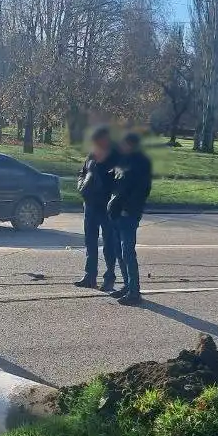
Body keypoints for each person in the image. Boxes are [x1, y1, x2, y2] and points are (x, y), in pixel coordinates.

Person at [107, 131, 152, 307]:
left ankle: (134, 291)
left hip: (128, 214)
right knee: (118, 251)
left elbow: (141, 191)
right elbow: (115, 180)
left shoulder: (141, 163)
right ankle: (127, 285)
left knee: (128, 253)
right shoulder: (122, 160)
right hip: (116, 213)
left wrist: (128, 208)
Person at [75, 126, 120, 292]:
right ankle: (90, 276)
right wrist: (81, 186)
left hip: (106, 206)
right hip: (90, 205)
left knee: (109, 243)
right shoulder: (92, 155)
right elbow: (82, 172)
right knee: (90, 242)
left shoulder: (115, 157)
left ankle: (109, 278)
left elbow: (120, 182)